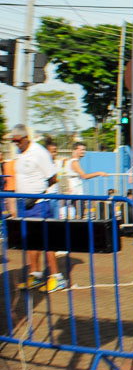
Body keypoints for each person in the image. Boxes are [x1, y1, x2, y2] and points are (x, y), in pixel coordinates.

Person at [5, 125, 64, 292]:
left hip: (40, 203)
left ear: (25, 138)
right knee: (31, 240)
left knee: (46, 240)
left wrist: (37, 194)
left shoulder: (39, 152)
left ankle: (56, 277)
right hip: (25, 204)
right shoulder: (20, 153)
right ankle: (36, 275)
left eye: (17, 140)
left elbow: (53, 178)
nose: (15, 143)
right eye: (13, 141)